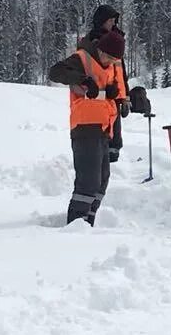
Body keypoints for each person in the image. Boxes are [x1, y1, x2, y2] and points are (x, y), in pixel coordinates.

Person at [47, 30, 127, 226]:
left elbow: (100, 94)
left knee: (102, 181)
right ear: (100, 49)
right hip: (84, 127)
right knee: (88, 182)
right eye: (107, 57)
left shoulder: (109, 65)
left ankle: (87, 222)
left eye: (113, 59)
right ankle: (76, 225)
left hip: (102, 128)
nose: (109, 62)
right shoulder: (82, 58)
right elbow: (55, 72)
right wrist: (82, 79)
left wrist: (113, 94)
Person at [78, 5, 130, 162]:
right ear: (101, 21)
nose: (113, 24)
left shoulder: (116, 41)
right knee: (99, 136)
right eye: (110, 21)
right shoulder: (92, 41)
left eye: (114, 21)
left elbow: (121, 73)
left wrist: (124, 97)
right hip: (97, 95)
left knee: (113, 146)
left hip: (114, 94)